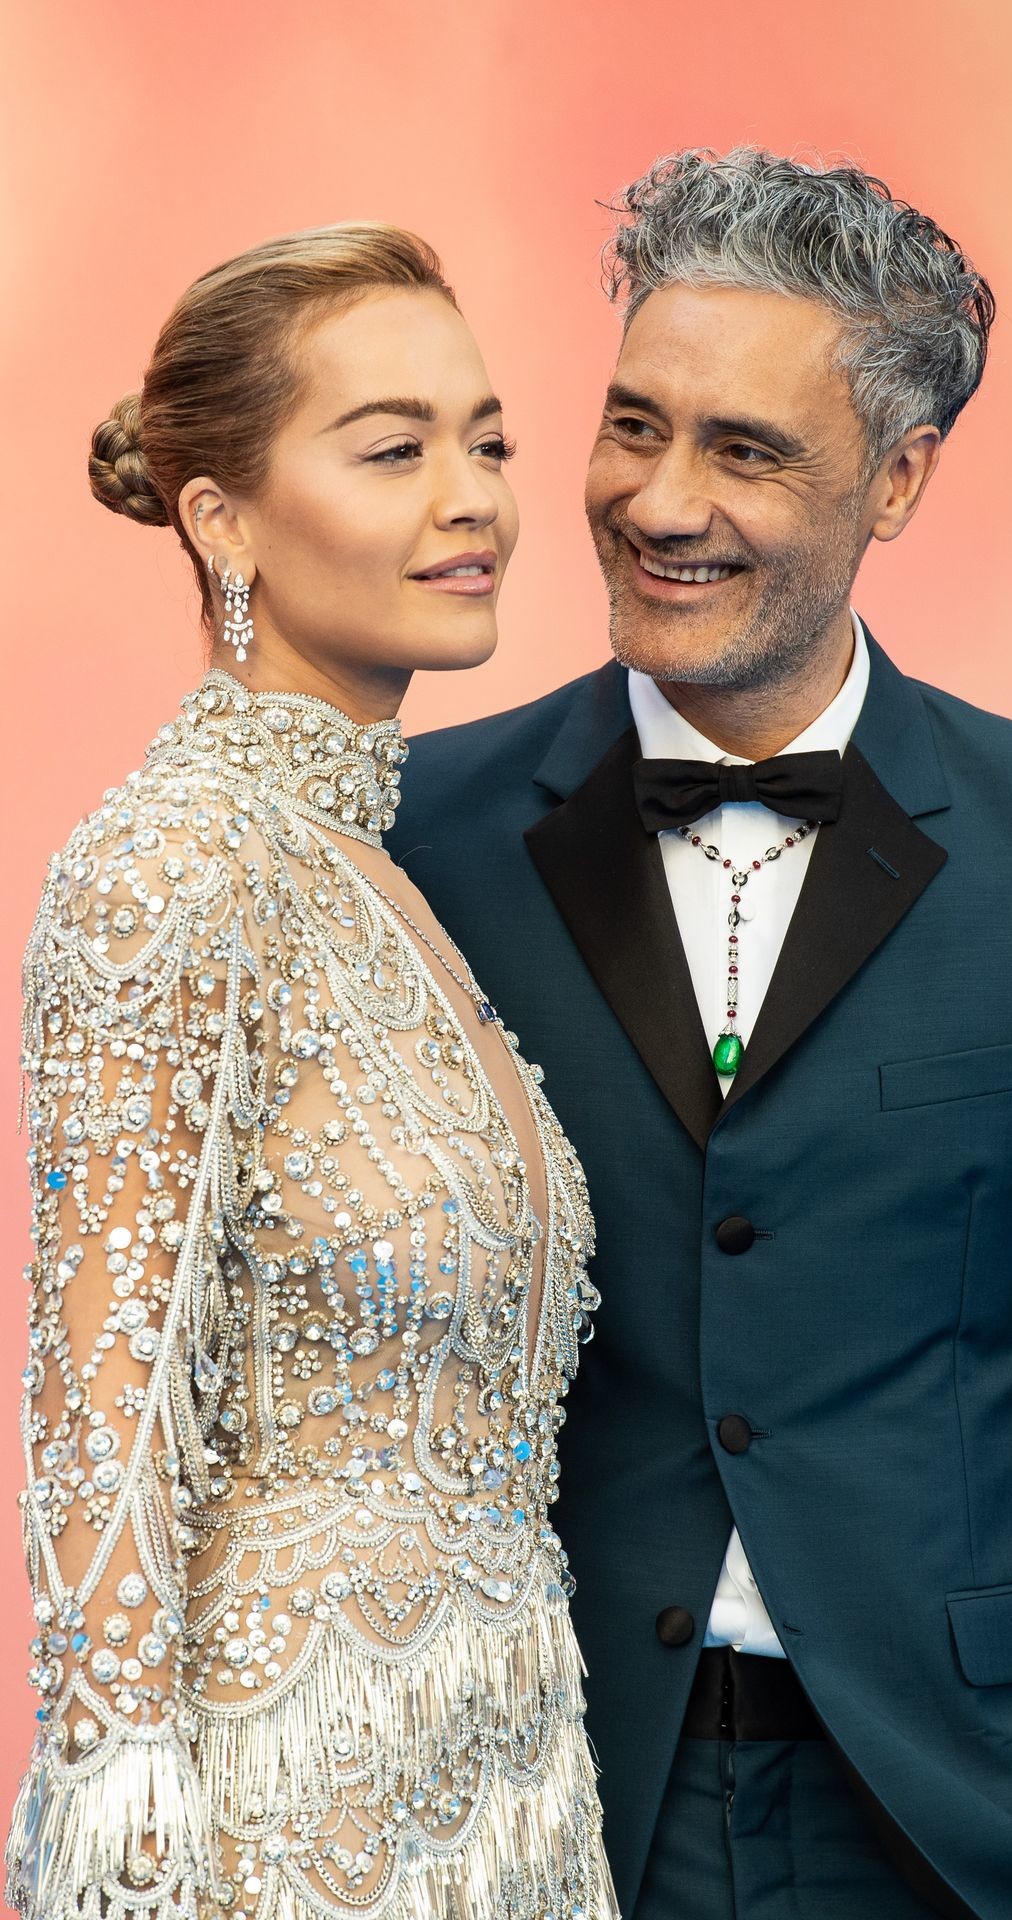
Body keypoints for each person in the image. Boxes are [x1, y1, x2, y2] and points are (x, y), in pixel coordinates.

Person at [385, 150, 1012, 1920]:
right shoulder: (420, 840)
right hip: (539, 1816)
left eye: (745, 450)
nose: (660, 500)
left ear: (899, 477)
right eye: (634, 425)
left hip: (967, 1828)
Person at [6, 223, 618, 1920]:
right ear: (222, 521)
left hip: (511, 1803)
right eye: (395, 450)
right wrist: (129, 1849)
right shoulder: (175, 867)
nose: (474, 499)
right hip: (286, 1825)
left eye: (489, 441)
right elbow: (104, 1428)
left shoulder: (380, 872)